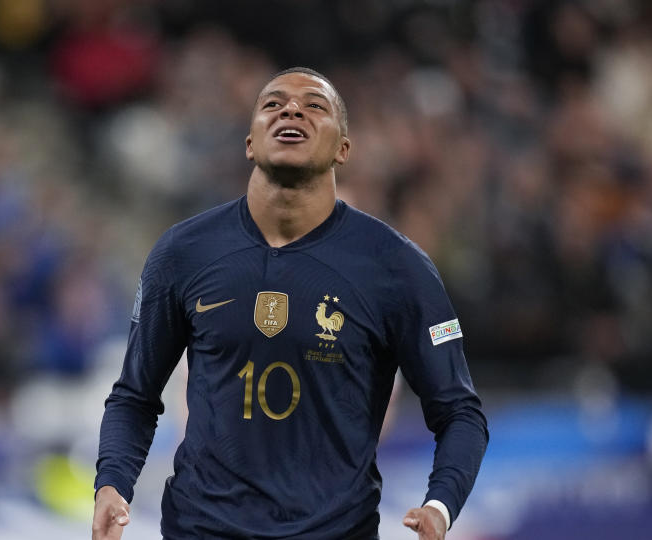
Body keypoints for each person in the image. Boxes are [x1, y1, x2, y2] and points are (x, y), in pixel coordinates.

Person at [92, 67, 488, 540]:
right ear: (250, 143)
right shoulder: (182, 253)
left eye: (315, 106)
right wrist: (112, 483)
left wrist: (440, 505)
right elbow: (135, 396)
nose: (292, 109)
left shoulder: (397, 267)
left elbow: (460, 412)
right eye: (273, 103)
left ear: (343, 149)